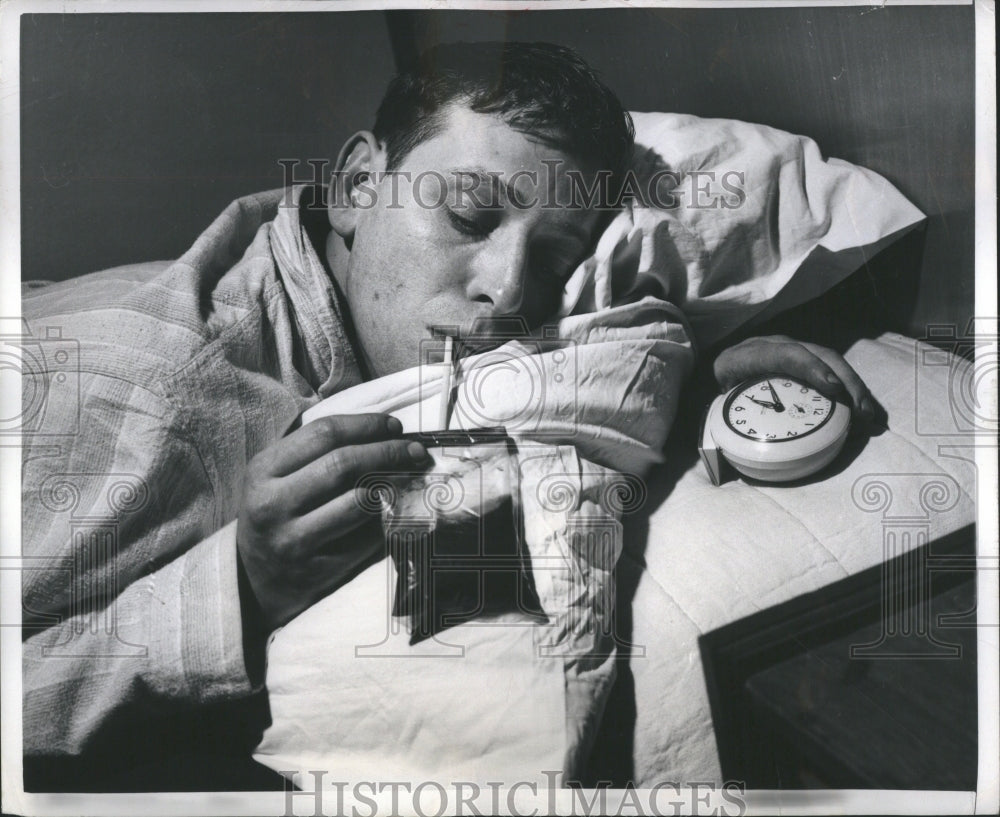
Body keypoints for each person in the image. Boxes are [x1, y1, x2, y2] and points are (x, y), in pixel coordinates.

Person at [20, 41, 874, 789]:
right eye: (468, 215)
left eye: (556, 259)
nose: (508, 292)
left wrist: (681, 367)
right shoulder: (149, 404)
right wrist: (241, 587)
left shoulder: (370, 306)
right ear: (356, 184)